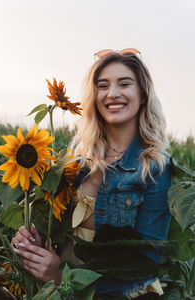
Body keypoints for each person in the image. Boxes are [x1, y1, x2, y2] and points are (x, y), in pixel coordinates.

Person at [12, 49, 172, 299]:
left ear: (142, 94)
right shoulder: (77, 156)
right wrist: (31, 244)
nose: (112, 94)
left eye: (124, 84)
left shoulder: (154, 168)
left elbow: (144, 265)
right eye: (103, 85)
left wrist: (61, 278)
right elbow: (54, 227)